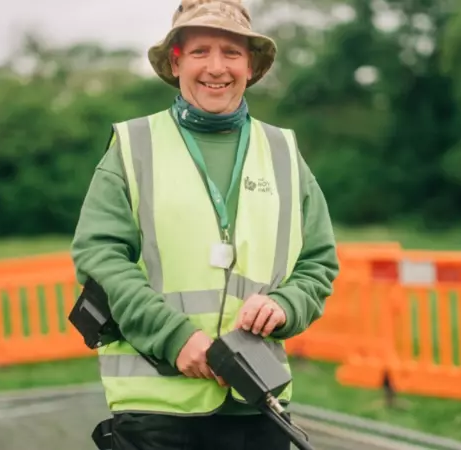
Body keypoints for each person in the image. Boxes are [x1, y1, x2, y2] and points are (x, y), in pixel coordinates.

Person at [70, 0, 340, 449]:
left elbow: (318, 263)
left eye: (231, 53)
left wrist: (287, 305)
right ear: (176, 60)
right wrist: (175, 337)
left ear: (251, 65)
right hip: (155, 410)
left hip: (257, 405)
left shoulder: (284, 153)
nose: (217, 68)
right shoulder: (133, 145)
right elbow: (99, 258)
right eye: (200, 52)